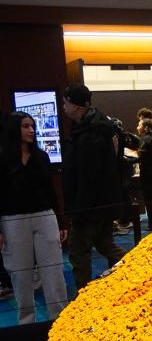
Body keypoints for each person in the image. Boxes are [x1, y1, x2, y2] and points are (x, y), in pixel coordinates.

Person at [0, 112, 68, 322]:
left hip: (44, 216)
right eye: (25, 126)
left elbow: (51, 191)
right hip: (13, 220)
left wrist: (61, 221)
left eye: (32, 126)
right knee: (20, 274)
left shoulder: (41, 156)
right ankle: (26, 321)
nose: (31, 130)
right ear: (14, 130)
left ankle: (59, 320)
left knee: (53, 269)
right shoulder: (3, 158)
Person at [60, 84, 126, 290]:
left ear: (76, 106)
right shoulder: (95, 129)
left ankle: (84, 297)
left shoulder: (90, 135)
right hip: (100, 205)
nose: (63, 107)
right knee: (105, 244)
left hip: (89, 207)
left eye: (66, 102)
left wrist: (79, 211)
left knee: (79, 252)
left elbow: (88, 177)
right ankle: (131, 275)